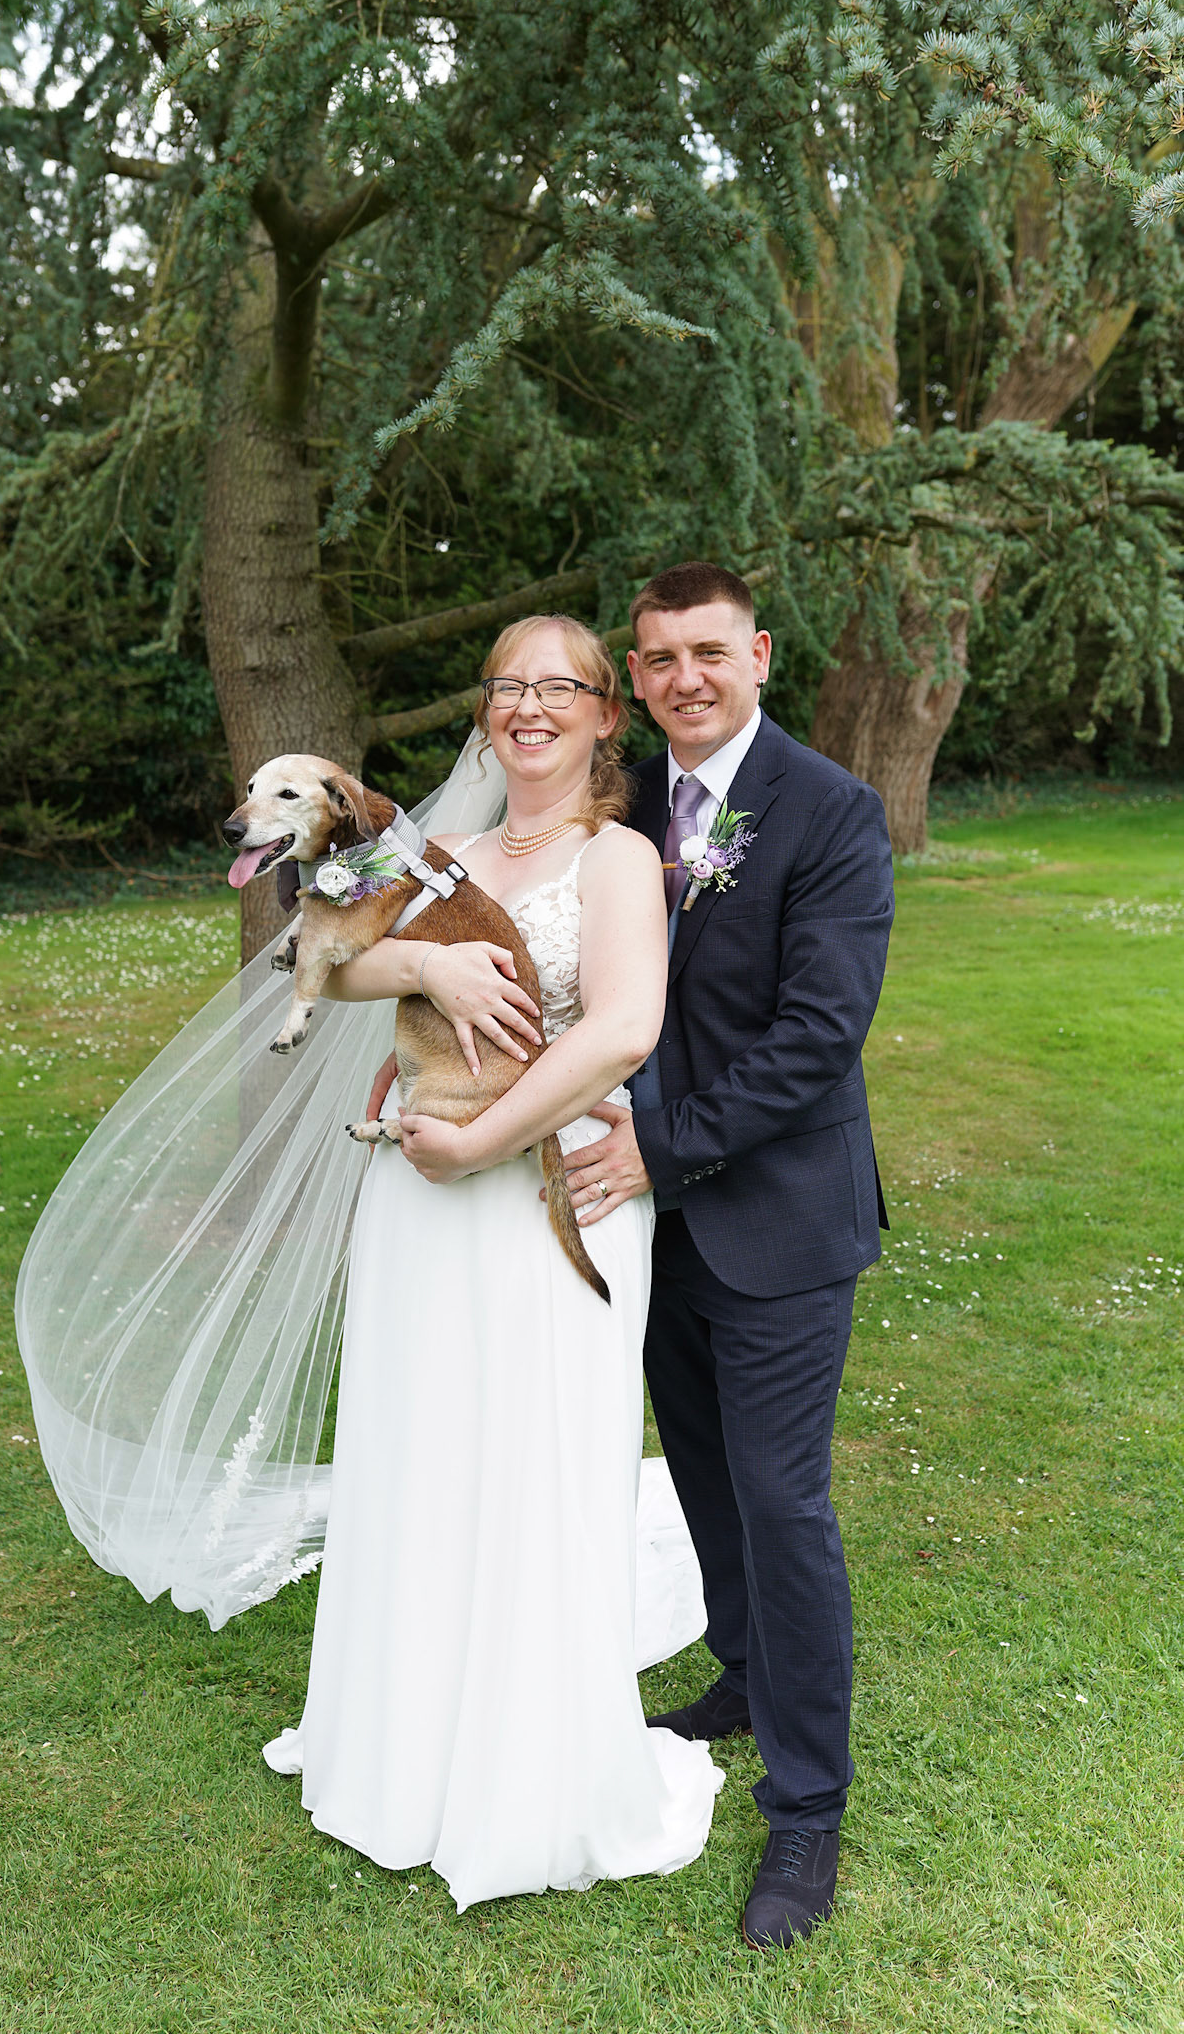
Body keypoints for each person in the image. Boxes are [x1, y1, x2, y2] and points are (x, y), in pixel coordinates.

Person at [260, 614, 724, 1911]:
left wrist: (480, 1141)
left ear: (604, 715)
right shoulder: (437, 851)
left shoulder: (618, 858)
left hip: (544, 1186)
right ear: (486, 713)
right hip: (416, 1202)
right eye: (507, 685)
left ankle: (524, 1774)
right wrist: (430, 964)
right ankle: (400, 1751)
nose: (527, 706)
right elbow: (333, 956)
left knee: (534, 1455)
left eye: (557, 687)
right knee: (418, 1447)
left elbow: (622, 1030)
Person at [559, 562, 894, 1948]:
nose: (683, 678)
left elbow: (819, 1035)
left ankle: (807, 1808)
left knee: (779, 1498)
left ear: (757, 654)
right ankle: (745, 1678)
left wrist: (663, 1146)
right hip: (658, 1227)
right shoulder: (621, 805)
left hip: (779, 1216)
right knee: (699, 1474)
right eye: (657, 659)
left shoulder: (830, 810)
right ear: (634, 678)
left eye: (708, 652)